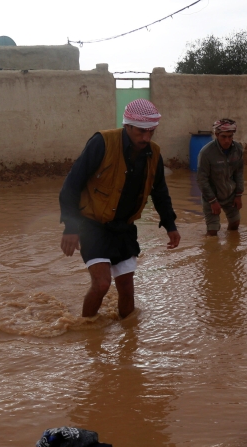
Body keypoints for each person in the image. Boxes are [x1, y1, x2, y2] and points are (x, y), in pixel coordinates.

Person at [59, 99, 181, 319]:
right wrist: (70, 226)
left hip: (124, 227)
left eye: (151, 132)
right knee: (102, 284)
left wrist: (170, 225)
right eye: (141, 132)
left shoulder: (154, 153)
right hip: (93, 225)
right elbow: (72, 184)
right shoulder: (102, 143)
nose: (146, 138)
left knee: (126, 287)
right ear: (127, 126)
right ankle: (87, 332)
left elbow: (160, 191)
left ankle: (129, 340)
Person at [196, 118, 244, 236]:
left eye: (230, 136)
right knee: (212, 231)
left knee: (235, 224)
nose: (227, 140)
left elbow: (239, 173)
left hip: (230, 194)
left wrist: (238, 195)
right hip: (212, 196)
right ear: (217, 135)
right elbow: (202, 179)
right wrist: (212, 201)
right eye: (223, 136)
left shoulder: (238, 149)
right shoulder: (206, 153)